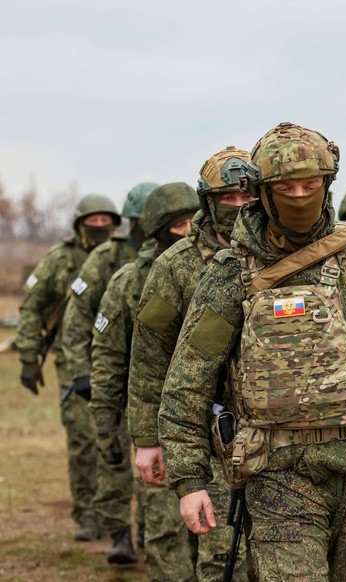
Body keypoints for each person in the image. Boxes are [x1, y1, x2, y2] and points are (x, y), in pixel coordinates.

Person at [158, 122, 346, 581]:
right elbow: (190, 379)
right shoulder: (231, 274)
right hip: (278, 472)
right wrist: (188, 480)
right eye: (284, 187)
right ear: (262, 191)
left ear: (328, 183)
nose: (299, 195)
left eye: (311, 184)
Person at [128, 147, 254, 581]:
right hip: (206, 431)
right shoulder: (175, 267)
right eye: (228, 200)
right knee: (223, 555)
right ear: (208, 202)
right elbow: (149, 355)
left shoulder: (286, 256)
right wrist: (148, 438)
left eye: (248, 197)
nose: (239, 208)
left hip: (278, 430)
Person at [90, 182, 199, 565]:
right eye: (179, 224)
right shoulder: (131, 282)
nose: (188, 232)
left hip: (217, 425)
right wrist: (106, 426)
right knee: (167, 533)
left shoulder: (226, 269)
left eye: (193, 222)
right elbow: (107, 358)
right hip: (156, 419)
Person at [16, 193, 121, 542]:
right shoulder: (59, 260)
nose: (100, 227)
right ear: (79, 224)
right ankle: (88, 513)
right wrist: (29, 357)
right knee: (82, 438)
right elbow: (31, 307)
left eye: (107, 221)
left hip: (120, 359)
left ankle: (117, 516)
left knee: (119, 436)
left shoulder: (121, 255)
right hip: (72, 360)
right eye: (93, 221)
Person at [61, 181, 159, 544]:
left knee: (157, 461)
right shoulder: (106, 259)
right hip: (113, 374)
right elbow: (75, 323)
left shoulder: (178, 256)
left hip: (155, 378)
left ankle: (152, 533)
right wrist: (83, 374)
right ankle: (118, 531)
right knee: (113, 457)